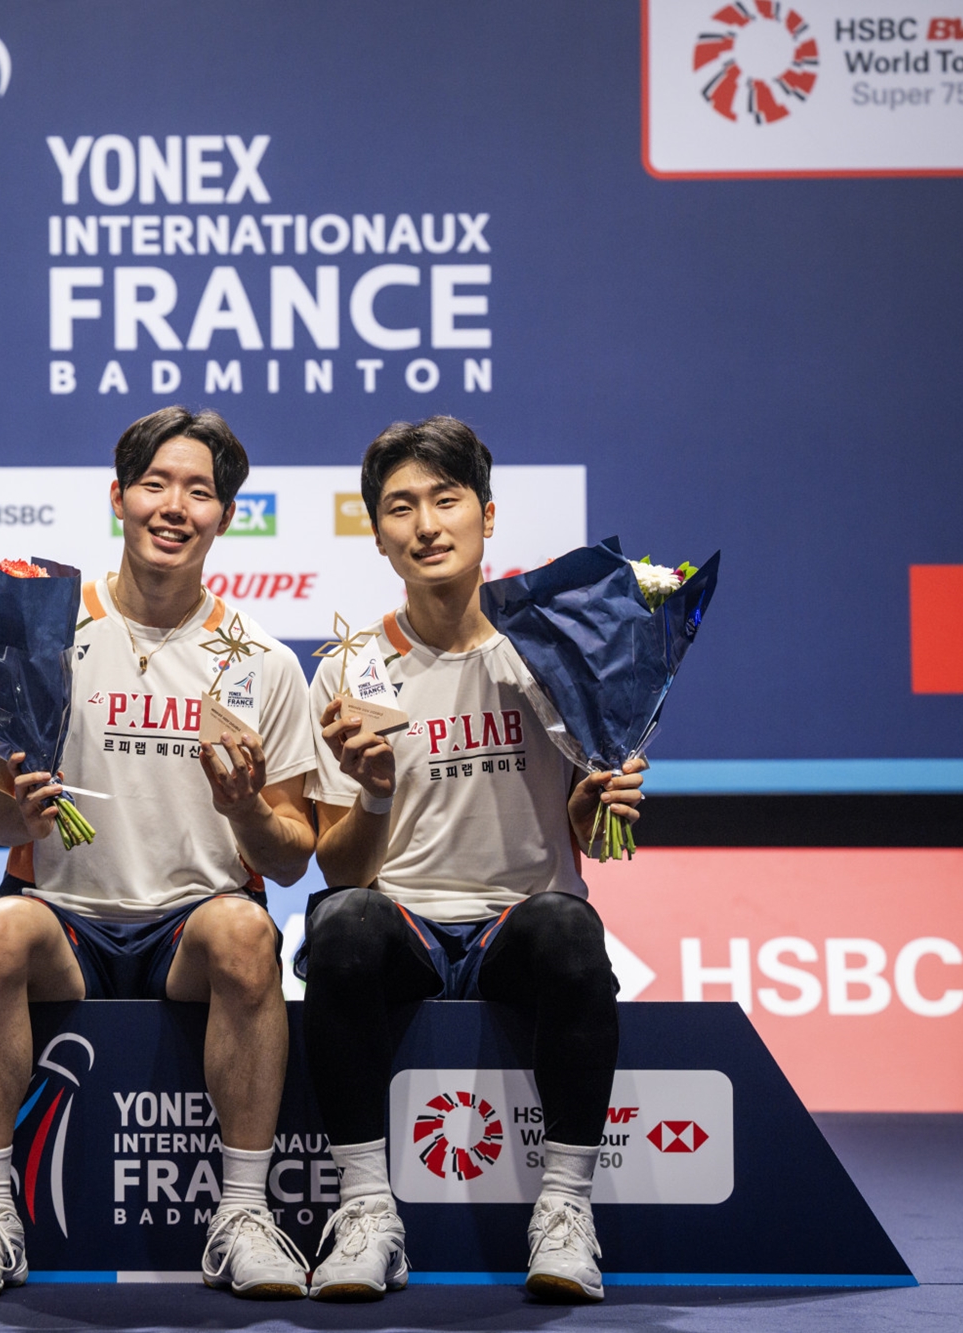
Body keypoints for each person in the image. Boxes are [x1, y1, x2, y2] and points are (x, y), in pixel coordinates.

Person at [0, 406, 320, 1300]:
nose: (174, 506)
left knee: (249, 935)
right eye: (155, 484)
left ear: (225, 515)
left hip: (191, 931)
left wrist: (247, 808)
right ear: (118, 497)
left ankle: (246, 1214)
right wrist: (19, 814)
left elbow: (293, 855)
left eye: (200, 491)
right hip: (66, 924)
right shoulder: (37, 628)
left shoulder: (262, 660)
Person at [297, 416, 646, 1304]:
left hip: (519, 923)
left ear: (487, 515)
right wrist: (374, 791)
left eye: (446, 500)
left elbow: (591, 836)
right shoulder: (348, 667)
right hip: (408, 922)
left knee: (572, 926)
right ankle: (368, 1210)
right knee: (339, 922)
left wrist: (602, 809)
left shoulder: (551, 654)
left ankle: (566, 1210)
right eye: (400, 507)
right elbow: (338, 871)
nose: (425, 525)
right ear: (377, 535)